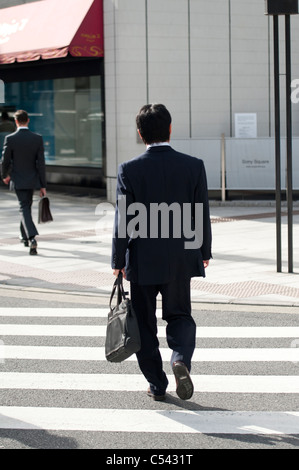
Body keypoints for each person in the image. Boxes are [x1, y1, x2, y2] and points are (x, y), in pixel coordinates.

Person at [112, 104, 212, 401]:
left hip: (142, 258)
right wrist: (203, 250)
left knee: (143, 324)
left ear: (140, 133)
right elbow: (200, 213)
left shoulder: (129, 169)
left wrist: (118, 260)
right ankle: (180, 358)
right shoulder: (193, 165)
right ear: (170, 129)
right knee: (180, 314)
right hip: (180, 256)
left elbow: (123, 220)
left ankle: (157, 384)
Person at [0, 110, 47, 255]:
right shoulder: (37, 138)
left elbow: (5, 161)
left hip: (18, 179)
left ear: (16, 121)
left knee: (24, 208)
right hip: (32, 180)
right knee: (26, 207)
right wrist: (43, 184)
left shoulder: (10, 138)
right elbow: (41, 163)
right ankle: (25, 237)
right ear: (28, 121)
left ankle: (32, 238)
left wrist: (4, 175)